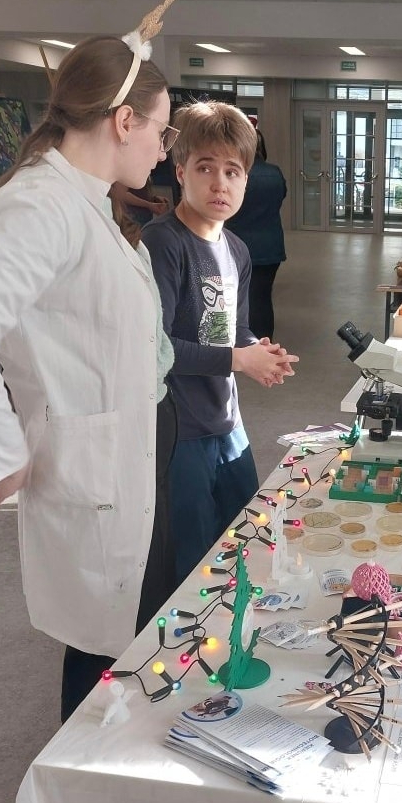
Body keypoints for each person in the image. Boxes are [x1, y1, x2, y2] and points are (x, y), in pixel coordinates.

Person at [0, 13, 182, 722]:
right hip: (94, 470)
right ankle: (87, 772)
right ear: (124, 121)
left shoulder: (85, 200)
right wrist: (2, 453)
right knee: (102, 652)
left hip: (130, 453)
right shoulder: (42, 204)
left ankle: (120, 758)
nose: (164, 152)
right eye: (163, 133)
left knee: (129, 637)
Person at [142, 102, 299, 584]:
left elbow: (234, 330)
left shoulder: (237, 250)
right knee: (191, 557)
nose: (220, 184)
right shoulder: (162, 243)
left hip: (227, 420)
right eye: (205, 168)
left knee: (245, 534)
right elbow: (155, 348)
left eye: (233, 171)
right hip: (180, 429)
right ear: (180, 171)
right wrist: (238, 358)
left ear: (246, 180)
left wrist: (258, 352)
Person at [225, 128, 287, 340]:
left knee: (241, 298)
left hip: (240, 244)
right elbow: (281, 197)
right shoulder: (274, 172)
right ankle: (264, 340)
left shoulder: (236, 174)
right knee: (262, 297)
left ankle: (244, 340)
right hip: (271, 246)